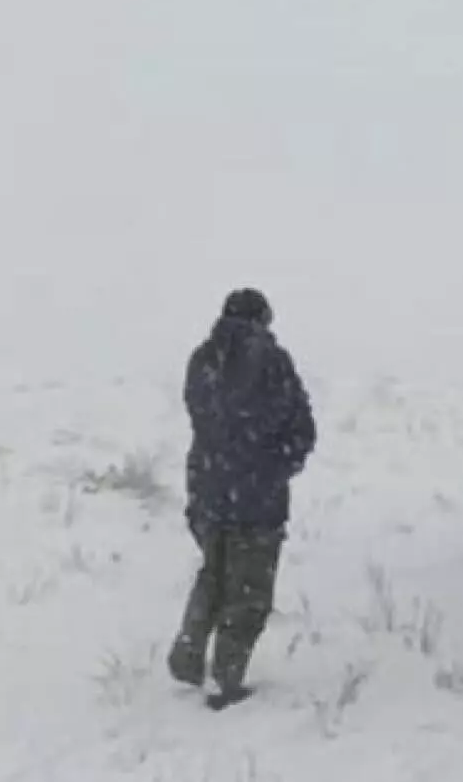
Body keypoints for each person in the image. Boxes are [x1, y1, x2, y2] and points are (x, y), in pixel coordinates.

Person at [167, 287, 317, 709]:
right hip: (256, 494)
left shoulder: (201, 360)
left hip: (208, 487)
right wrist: (277, 467)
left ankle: (190, 648)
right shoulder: (273, 361)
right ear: (263, 318)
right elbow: (302, 427)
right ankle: (226, 678)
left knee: (214, 572)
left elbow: (201, 417)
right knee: (250, 590)